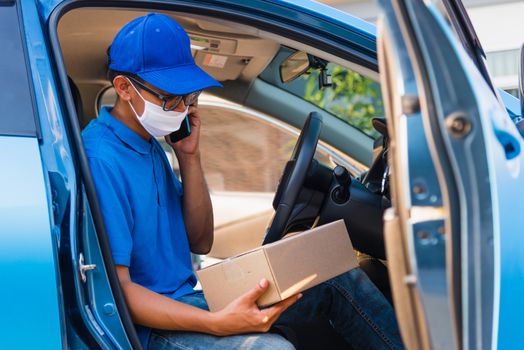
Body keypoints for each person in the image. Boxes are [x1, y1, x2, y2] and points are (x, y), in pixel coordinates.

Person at [82, 12, 404, 350]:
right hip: (150, 328)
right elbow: (118, 290)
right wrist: (216, 324)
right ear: (124, 88)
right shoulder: (102, 159)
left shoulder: (149, 144)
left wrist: (189, 157)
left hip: (192, 298)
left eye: (190, 98)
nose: (181, 109)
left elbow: (201, 241)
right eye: (172, 98)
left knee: (333, 274)